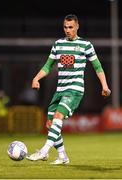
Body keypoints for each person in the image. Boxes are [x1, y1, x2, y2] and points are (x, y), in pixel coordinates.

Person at [26, 14, 111, 164]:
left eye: (70, 27)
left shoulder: (86, 45)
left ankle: (44, 151)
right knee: (50, 124)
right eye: (65, 27)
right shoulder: (58, 44)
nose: (67, 30)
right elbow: (48, 65)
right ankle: (62, 156)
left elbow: (97, 66)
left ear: (77, 26)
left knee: (58, 115)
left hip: (74, 90)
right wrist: (36, 78)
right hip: (60, 90)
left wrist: (104, 85)